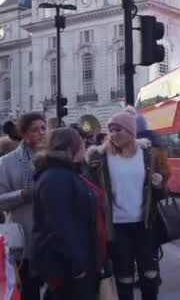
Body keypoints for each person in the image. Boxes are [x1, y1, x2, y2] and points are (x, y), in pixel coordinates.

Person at [86, 107, 170, 300]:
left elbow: (160, 193)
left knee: (150, 275)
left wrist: (158, 186)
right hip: (117, 227)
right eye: (111, 130)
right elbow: (91, 191)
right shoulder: (99, 157)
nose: (114, 134)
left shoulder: (147, 154)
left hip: (145, 224)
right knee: (124, 278)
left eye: (119, 129)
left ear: (131, 131)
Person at [32, 128, 105, 300]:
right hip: (67, 266)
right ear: (69, 148)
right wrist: (77, 265)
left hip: (77, 260)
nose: (84, 146)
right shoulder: (55, 177)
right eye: (80, 143)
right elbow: (60, 225)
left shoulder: (67, 172)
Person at [0, 112, 46, 300]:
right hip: (24, 233)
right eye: (35, 130)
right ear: (24, 134)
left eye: (44, 128)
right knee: (29, 288)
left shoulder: (55, 157)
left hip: (51, 233)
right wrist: (22, 195)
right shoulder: (6, 162)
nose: (41, 133)